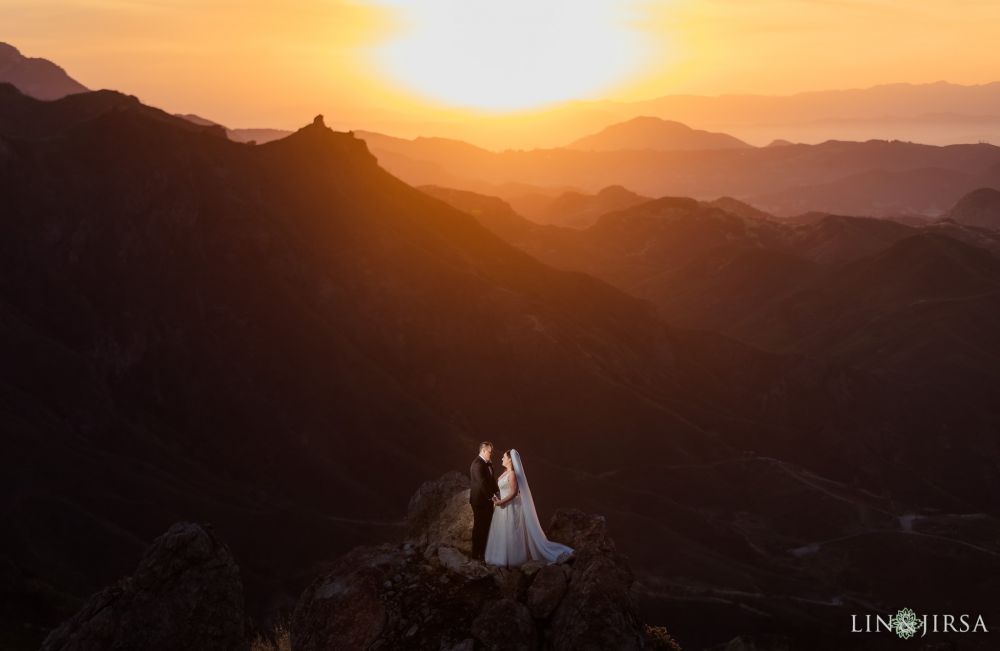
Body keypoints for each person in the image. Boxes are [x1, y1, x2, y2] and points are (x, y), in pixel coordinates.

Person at [484, 449, 573, 567]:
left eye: (504, 457)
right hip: (503, 504)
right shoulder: (506, 472)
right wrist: (497, 498)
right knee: (502, 530)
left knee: (511, 531)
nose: (502, 459)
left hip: (510, 506)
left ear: (510, 459)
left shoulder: (512, 474)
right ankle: (500, 557)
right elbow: (503, 489)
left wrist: (501, 501)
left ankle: (512, 559)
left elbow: (514, 492)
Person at [469, 441, 500, 561]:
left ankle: (484, 552)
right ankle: (476, 553)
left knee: (486, 526)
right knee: (479, 527)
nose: (491, 454)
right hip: (479, 502)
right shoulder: (477, 464)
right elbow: (482, 483)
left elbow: (491, 481)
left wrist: (497, 492)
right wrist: (491, 497)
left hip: (486, 501)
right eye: (489, 452)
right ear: (483, 450)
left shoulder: (488, 464)